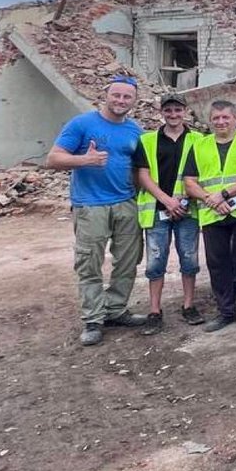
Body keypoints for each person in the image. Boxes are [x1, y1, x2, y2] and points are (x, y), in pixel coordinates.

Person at [47, 78, 147, 346]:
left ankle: (116, 310)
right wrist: (85, 160)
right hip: (90, 204)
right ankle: (93, 318)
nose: (121, 101)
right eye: (117, 95)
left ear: (134, 100)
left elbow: (139, 169)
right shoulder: (82, 124)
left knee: (128, 260)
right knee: (89, 262)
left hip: (126, 202)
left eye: (127, 97)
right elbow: (53, 158)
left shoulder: (135, 131)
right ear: (106, 95)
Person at [184, 101, 236, 335]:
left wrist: (223, 194)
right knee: (217, 263)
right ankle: (226, 312)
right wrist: (209, 198)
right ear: (210, 121)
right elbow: (189, 182)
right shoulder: (200, 146)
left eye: (225, 118)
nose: (221, 122)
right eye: (216, 118)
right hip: (213, 212)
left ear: (235, 118)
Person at [135, 95, 204, 334]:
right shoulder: (148, 140)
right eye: (168, 110)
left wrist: (182, 202)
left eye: (177, 110)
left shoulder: (198, 140)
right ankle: (155, 310)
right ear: (161, 112)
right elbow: (143, 175)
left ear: (185, 111)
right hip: (157, 210)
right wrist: (166, 201)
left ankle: (188, 305)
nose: (173, 114)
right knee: (156, 261)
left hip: (188, 210)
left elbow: (201, 175)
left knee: (189, 259)